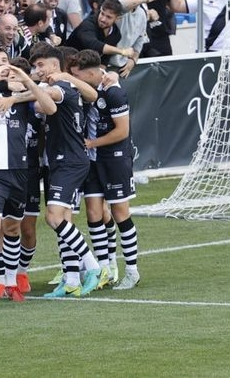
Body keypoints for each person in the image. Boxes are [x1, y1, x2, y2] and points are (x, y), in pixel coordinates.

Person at [0, 57, 57, 310]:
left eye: (16, 74)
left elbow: (50, 108)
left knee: (13, 228)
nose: (11, 77)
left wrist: (25, 82)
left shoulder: (26, 102)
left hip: (20, 171)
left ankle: (12, 282)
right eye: (9, 74)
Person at [29, 46, 102, 298]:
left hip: (69, 161)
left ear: (54, 65)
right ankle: (71, 279)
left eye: (40, 65)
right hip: (59, 161)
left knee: (53, 217)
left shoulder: (61, 86)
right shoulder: (61, 85)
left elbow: (46, 100)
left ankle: (94, 267)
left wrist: (20, 88)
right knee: (64, 219)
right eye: (34, 66)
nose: (37, 70)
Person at [68, 49, 141, 290]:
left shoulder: (113, 91)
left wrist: (92, 143)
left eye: (78, 76)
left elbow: (122, 131)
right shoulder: (92, 88)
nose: (75, 80)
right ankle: (105, 269)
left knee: (120, 213)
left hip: (114, 159)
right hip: (92, 161)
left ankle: (132, 271)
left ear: (91, 73)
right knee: (93, 213)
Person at [110, 0, 156, 76]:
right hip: (103, 62)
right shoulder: (112, 3)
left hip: (123, 64)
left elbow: (140, 40)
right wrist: (143, 0)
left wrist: (133, 59)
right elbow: (120, 7)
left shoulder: (141, 13)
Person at [67, 0, 135, 65]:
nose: (103, 19)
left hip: (87, 68)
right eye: (102, 13)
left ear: (117, 18)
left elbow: (104, 61)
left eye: (109, 17)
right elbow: (93, 44)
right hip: (68, 63)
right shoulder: (88, 24)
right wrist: (122, 51)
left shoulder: (116, 35)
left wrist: (103, 74)